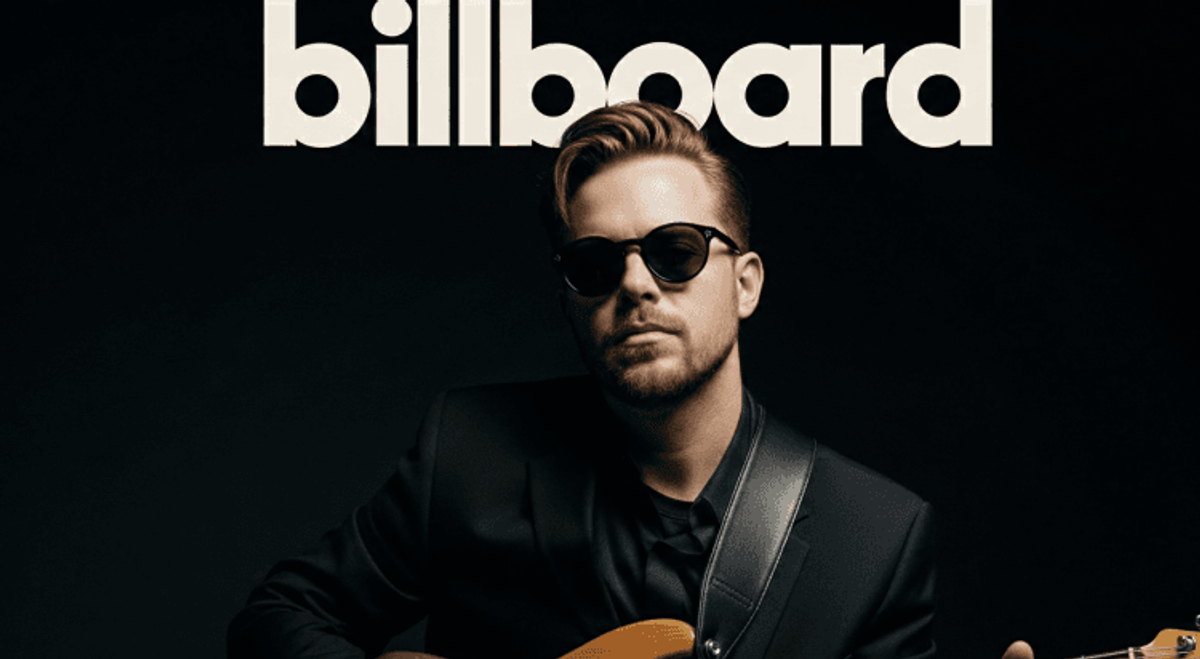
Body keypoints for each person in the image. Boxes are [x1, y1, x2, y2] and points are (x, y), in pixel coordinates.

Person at [227, 101, 936, 659]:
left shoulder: (874, 535)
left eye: (675, 252)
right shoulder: (474, 453)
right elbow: (279, 616)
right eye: (595, 266)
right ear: (569, 299)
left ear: (745, 283)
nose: (635, 285)